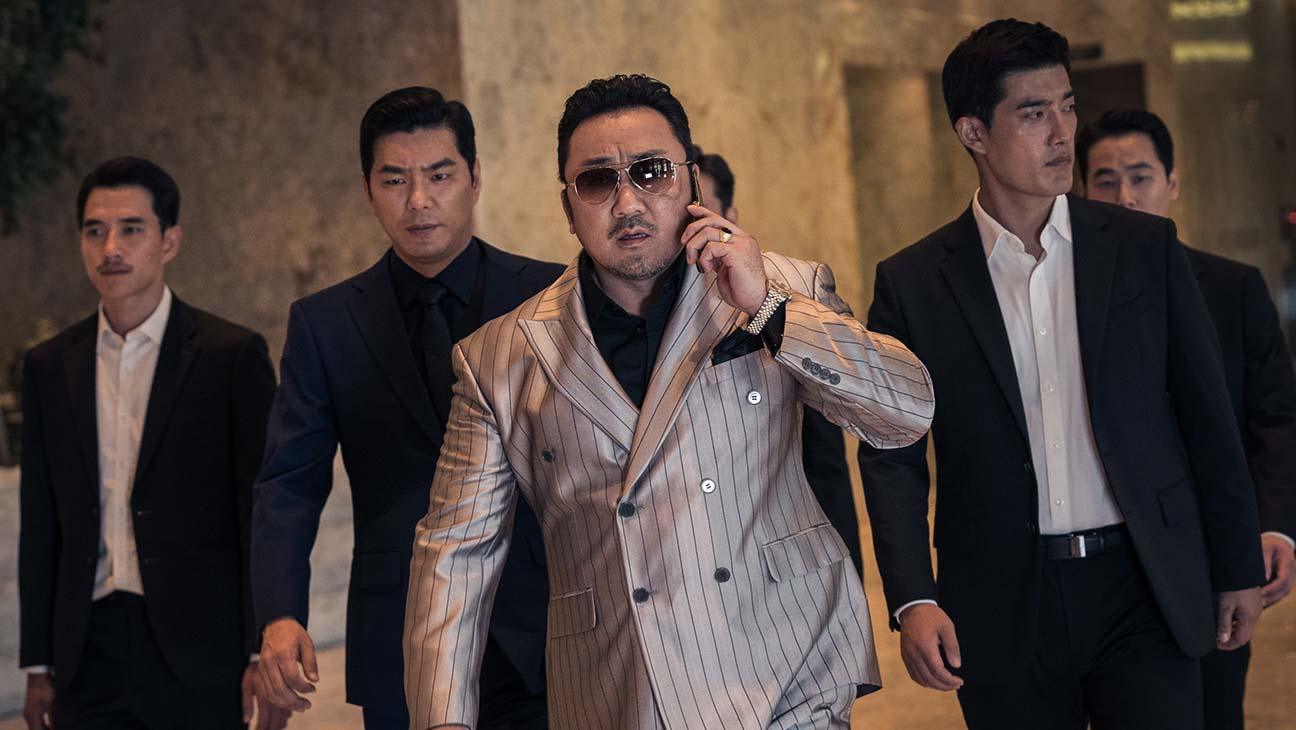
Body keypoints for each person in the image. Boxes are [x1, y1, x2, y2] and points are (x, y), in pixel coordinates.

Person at [403, 73, 934, 730]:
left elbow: (905, 414)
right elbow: (454, 551)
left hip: (788, 666)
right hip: (619, 684)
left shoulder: (781, 285)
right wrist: (443, 719)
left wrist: (768, 310)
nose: (627, 201)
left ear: (691, 185)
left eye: (651, 173)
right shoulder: (499, 357)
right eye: (598, 181)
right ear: (569, 207)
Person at [857, 19, 1266, 729]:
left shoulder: (1143, 248)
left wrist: (1236, 565)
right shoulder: (914, 284)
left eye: (1067, 107)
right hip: (1003, 599)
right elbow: (892, 454)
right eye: (1033, 113)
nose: (1062, 133)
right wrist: (913, 598)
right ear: (973, 133)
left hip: (1143, 585)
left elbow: (1206, 415)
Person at [250, 87, 562, 729]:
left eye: (439, 175)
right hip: (399, 629)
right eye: (394, 180)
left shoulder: (550, 295)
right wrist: (280, 613)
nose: (418, 200)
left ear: (475, 178)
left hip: (541, 626)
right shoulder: (326, 323)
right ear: (368, 191)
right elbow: (289, 482)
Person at [19, 157, 282, 729]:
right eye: (95, 230)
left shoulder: (230, 356)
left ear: (169, 241)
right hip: (86, 648)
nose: (110, 247)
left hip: (200, 645)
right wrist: (38, 664)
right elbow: (40, 522)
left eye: (131, 229)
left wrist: (258, 648)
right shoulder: (48, 367)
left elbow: (259, 513)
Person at [1078, 108, 1296, 730]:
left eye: (1141, 176)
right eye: (1106, 181)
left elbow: (1276, 419)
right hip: (1104, 566)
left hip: (1209, 555)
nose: (1126, 196)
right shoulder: (1060, 298)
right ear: (1082, 191)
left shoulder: (1233, 288)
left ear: (1172, 183)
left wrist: (1273, 528)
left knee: (1214, 711)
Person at [693, 145, 864, 576]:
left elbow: (825, 468)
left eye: (699, 214)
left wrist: (850, 576)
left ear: (730, 218)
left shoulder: (781, 299)